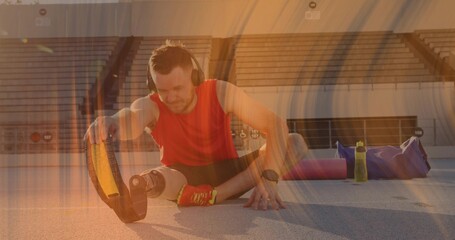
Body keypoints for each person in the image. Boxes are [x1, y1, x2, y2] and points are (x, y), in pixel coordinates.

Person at [84, 40, 308, 210]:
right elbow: (132, 117)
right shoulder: (151, 105)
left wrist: (269, 178)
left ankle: (214, 196)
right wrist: (112, 120)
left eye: (178, 88)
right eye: (163, 91)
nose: (170, 97)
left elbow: (276, 124)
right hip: (183, 180)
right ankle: (145, 183)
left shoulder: (220, 92)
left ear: (194, 75)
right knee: (164, 176)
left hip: (231, 173)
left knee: (295, 143)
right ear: (153, 85)